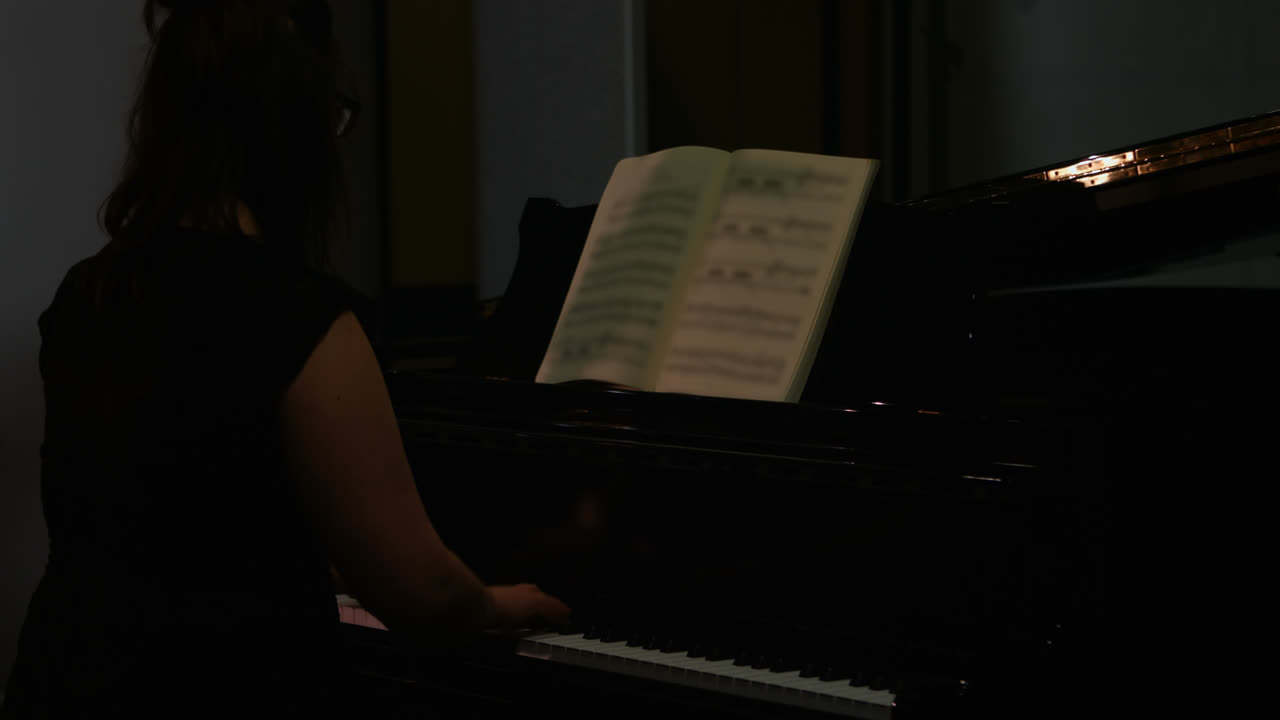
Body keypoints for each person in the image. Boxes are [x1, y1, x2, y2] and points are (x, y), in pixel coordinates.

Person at [1, 1, 569, 716]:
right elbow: (421, 596)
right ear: (289, 135)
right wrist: (496, 602)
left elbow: (181, 510)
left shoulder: (89, 294)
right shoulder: (298, 315)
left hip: (65, 682)